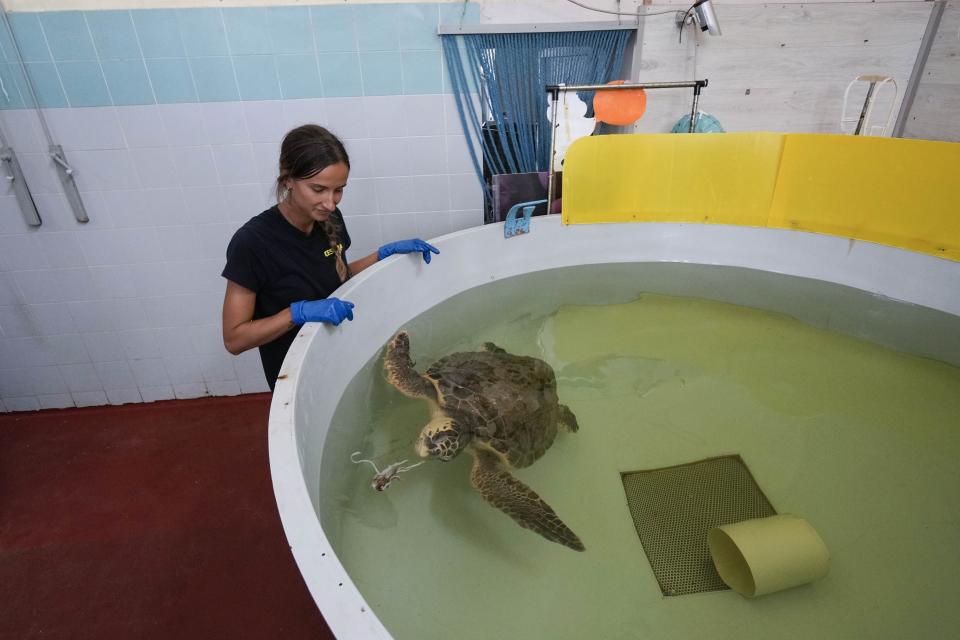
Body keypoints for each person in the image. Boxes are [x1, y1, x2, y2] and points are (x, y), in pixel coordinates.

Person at [221, 124, 439, 390]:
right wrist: (297, 313)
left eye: (339, 190)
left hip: (340, 351)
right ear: (288, 179)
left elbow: (338, 278)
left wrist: (383, 255)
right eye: (318, 189)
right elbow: (234, 339)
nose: (330, 202)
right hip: (296, 373)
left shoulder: (329, 218)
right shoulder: (253, 242)